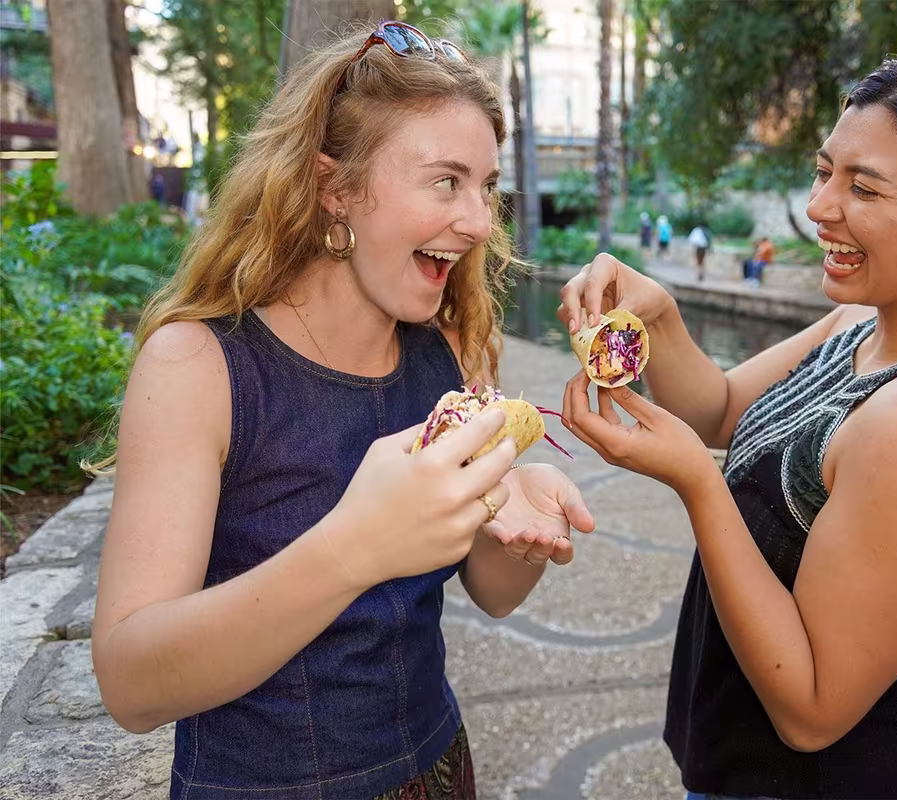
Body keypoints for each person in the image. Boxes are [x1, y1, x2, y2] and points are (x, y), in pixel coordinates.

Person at [89, 21, 594, 800]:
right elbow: (130, 682)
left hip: (439, 767)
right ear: (335, 187)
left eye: (486, 187)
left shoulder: (445, 355)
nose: (480, 221)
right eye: (445, 181)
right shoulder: (198, 367)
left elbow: (490, 593)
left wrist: (517, 530)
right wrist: (357, 545)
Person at [557, 46, 897, 799]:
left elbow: (815, 709)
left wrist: (699, 484)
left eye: (864, 187)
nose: (821, 206)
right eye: (827, 171)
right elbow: (724, 410)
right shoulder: (863, 320)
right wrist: (657, 313)